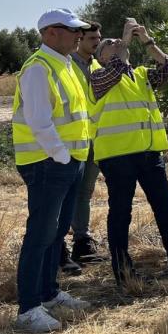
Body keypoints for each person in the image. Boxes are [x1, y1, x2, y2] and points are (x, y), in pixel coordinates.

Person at [89, 23, 168, 285]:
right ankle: (123, 271)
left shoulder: (141, 74)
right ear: (101, 56)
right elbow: (117, 69)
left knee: (165, 208)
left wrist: (147, 41)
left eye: (116, 42)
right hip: (117, 156)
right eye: (108, 43)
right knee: (121, 213)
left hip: (148, 154)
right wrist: (124, 39)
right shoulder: (98, 76)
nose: (117, 44)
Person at [11, 8, 94, 332]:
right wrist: (62, 156)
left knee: (56, 233)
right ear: (49, 33)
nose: (78, 35)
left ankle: (48, 293)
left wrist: (73, 158)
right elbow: (39, 121)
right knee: (40, 234)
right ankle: (28, 308)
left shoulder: (66, 64)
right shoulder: (38, 68)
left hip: (67, 162)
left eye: (78, 30)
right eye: (71, 30)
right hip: (48, 163)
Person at [65, 20, 106, 270]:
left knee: (85, 191)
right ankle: (60, 246)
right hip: (73, 140)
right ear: (79, 39)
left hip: (94, 140)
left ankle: (82, 241)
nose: (97, 42)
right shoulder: (68, 66)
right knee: (67, 192)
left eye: (98, 38)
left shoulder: (98, 66)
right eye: (92, 38)